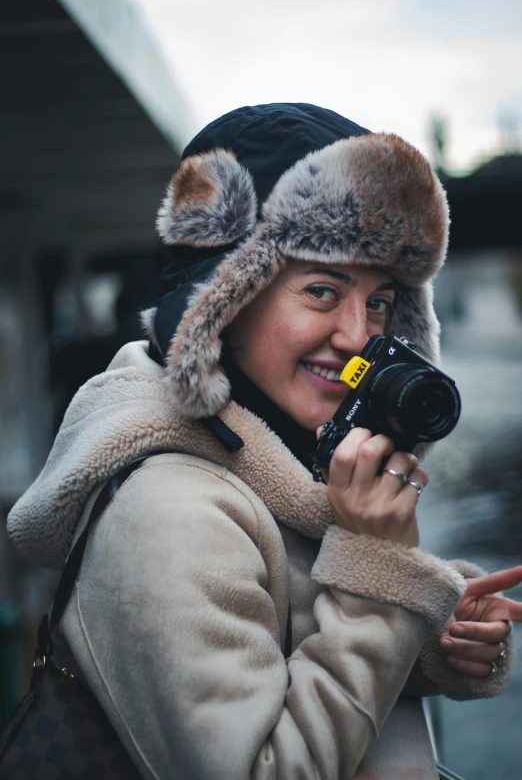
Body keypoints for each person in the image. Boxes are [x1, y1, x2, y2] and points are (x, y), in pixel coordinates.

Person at [8, 104, 522, 780]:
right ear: (223, 301)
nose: (358, 335)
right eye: (320, 290)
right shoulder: (170, 510)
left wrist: (435, 638)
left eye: (378, 301)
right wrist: (376, 564)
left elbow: (301, 642)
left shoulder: (287, 462)